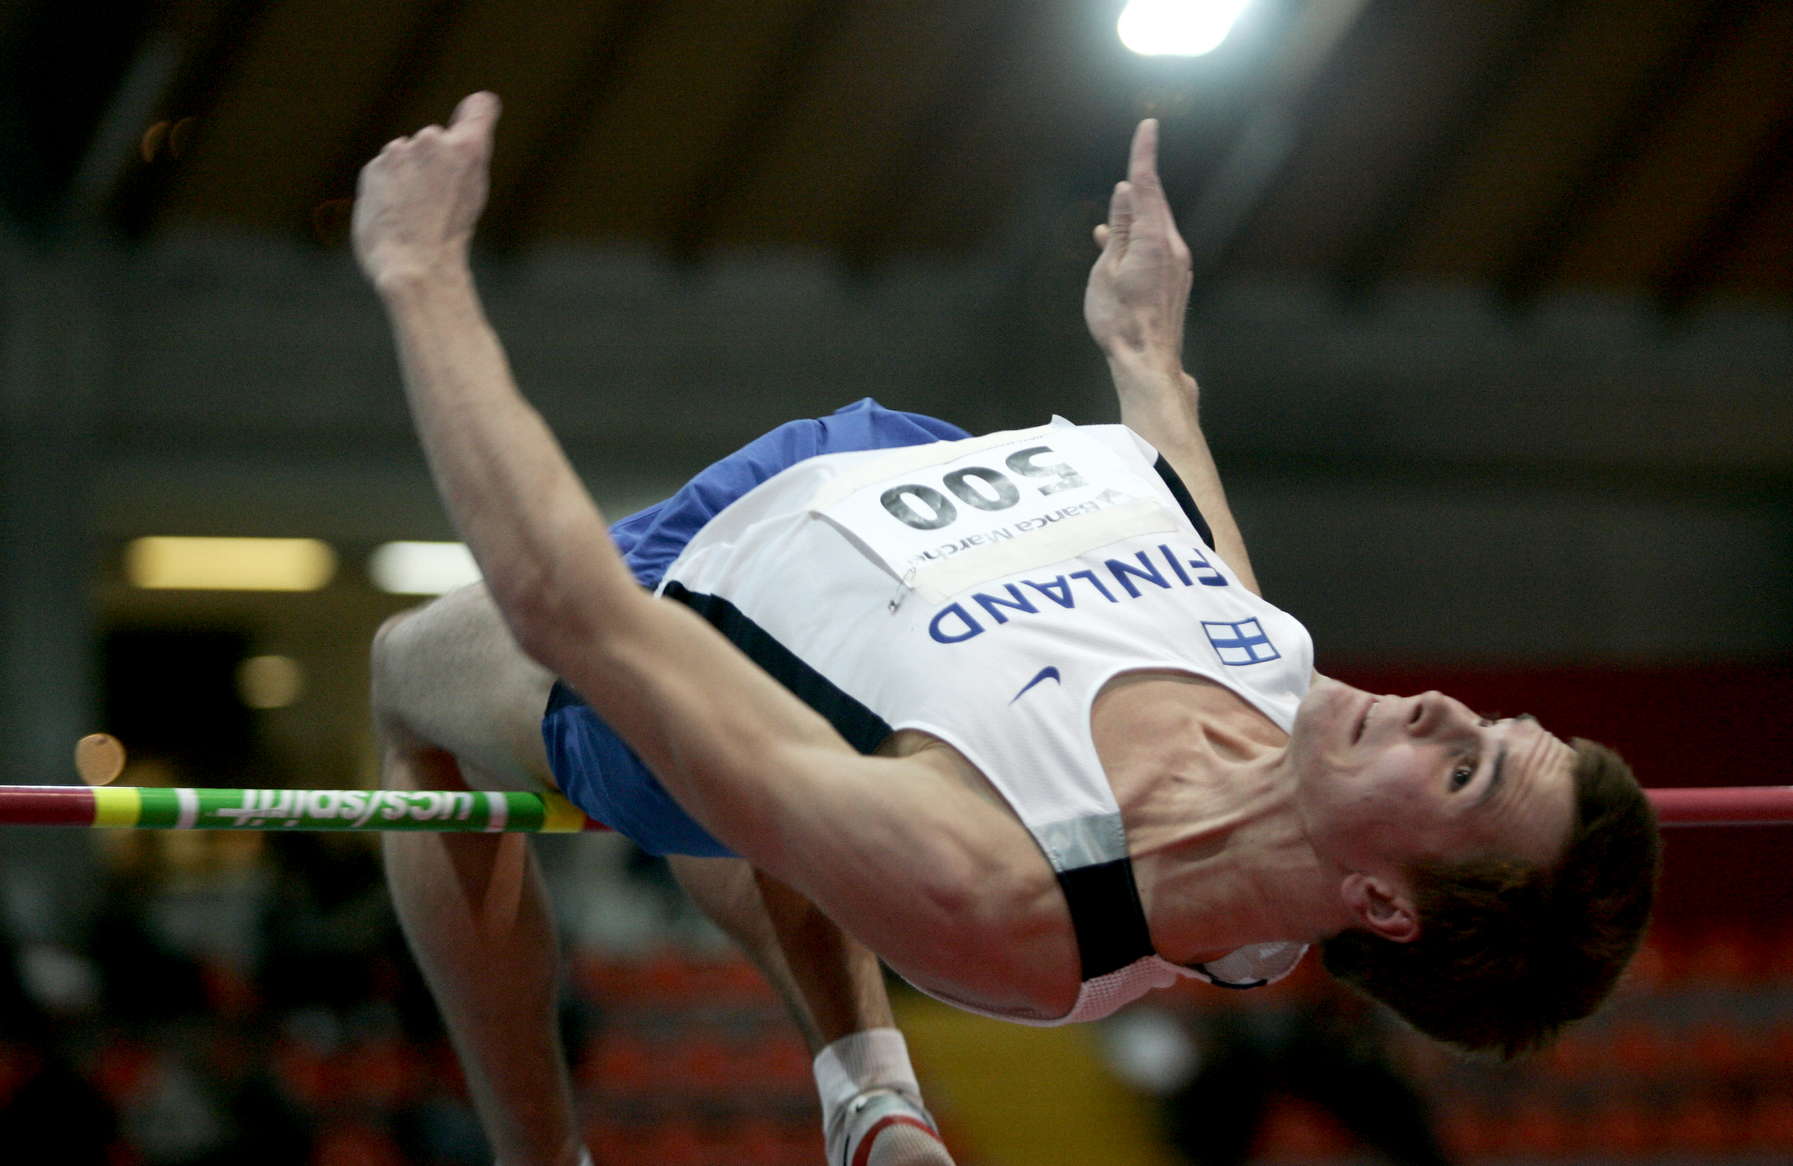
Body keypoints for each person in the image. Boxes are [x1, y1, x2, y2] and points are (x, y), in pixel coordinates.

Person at [352, 93, 1661, 1161]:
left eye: (1462, 769)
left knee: (415, 679)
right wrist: (1145, 352)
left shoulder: (1004, 886)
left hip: (706, 590)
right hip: (897, 470)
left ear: (1378, 900)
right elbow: (1198, 562)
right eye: (1491, 727)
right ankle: (866, 1091)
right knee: (802, 799)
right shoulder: (1294, 713)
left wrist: (422, 278)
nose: (1442, 709)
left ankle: (548, 1153)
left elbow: (567, 604)